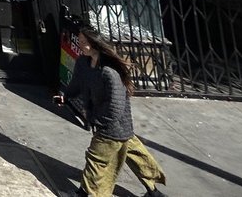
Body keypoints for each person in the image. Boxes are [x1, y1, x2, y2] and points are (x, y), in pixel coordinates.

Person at [55, 26, 167, 197]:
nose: (80, 44)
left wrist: (99, 123)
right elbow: (77, 84)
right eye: (79, 40)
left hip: (111, 126)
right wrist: (65, 96)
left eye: (84, 42)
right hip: (117, 127)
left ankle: (83, 194)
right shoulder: (83, 63)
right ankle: (154, 192)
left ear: (95, 44)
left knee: (96, 160)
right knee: (136, 157)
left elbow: (116, 106)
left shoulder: (109, 72)